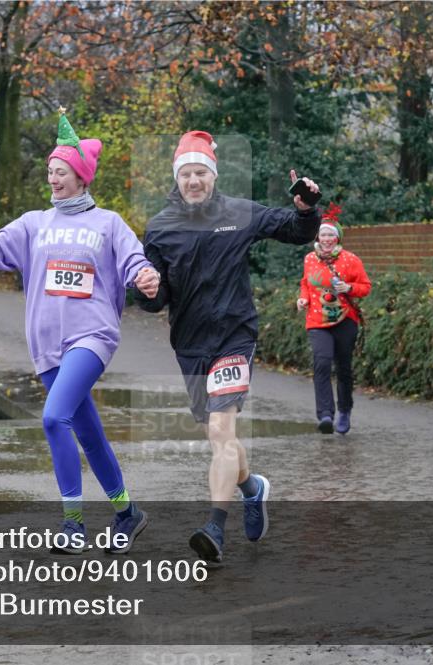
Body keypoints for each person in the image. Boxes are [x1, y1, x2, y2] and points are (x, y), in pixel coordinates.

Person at [0, 111, 160, 555]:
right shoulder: (35, 223)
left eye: (61, 172)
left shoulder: (108, 224)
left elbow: (135, 262)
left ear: (81, 177)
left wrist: (145, 276)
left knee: (54, 418)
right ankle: (128, 514)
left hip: (92, 337)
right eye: (50, 171)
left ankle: (73, 525)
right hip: (46, 347)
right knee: (87, 432)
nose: (53, 179)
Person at [133, 130, 322, 562]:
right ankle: (252, 488)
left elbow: (293, 229)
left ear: (213, 176)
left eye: (202, 172)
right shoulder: (160, 227)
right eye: (187, 174)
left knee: (221, 430)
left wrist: (307, 209)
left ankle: (214, 528)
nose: (194, 180)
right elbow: (155, 298)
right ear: (176, 179)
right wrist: (145, 288)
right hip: (190, 344)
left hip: (234, 335)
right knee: (222, 439)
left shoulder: (239, 213)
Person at [296, 205, 371, 435]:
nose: (327, 238)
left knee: (344, 368)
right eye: (323, 234)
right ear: (318, 236)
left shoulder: (351, 260)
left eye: (331, 234)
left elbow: (365, 287)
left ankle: (345, 410)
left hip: (345, 319)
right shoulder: (309, 259)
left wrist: (349, 287)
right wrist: (302, 299)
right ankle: (325, 415)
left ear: (338, 237)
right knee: (322, 362)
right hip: (317, 321)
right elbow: (306, 284)